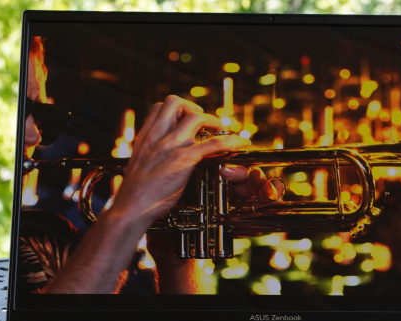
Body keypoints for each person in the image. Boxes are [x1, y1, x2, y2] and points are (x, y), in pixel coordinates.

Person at [20, 36, 280, 294]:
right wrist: (135, 204)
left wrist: (173, 254)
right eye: (23, 108)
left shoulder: (49, 235)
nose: (35, 137)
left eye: (42, 115)